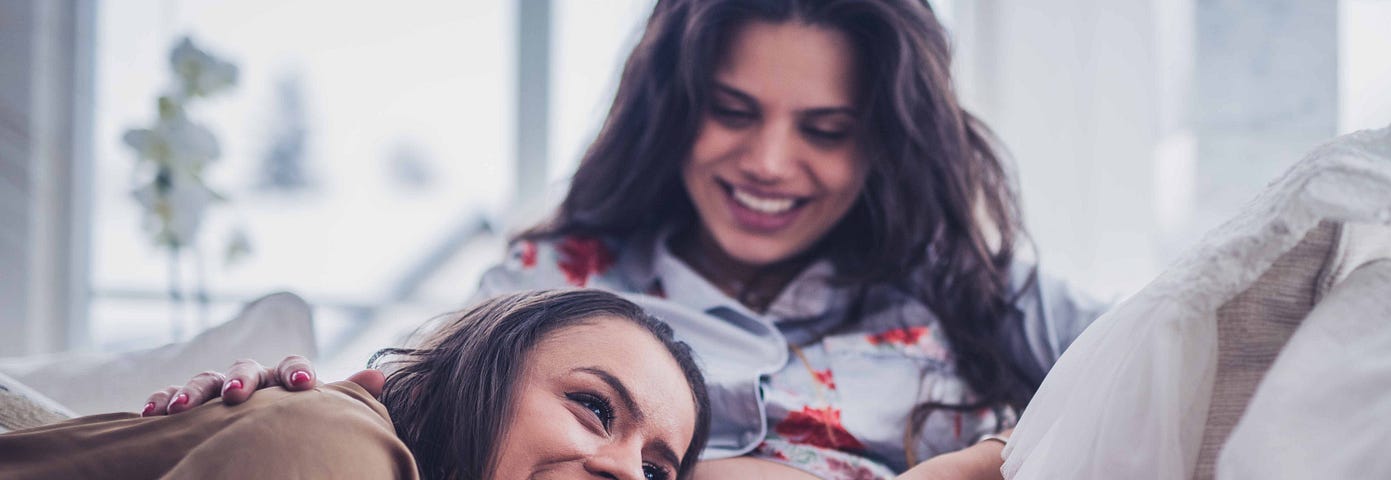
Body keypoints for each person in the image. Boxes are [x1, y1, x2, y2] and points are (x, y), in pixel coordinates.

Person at [145, 0, 1104, 478]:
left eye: (825, 129)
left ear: (882, 144)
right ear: (674, 109)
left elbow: (1189, 346)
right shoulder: (554, 277)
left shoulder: (974, 288)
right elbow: (408, 410)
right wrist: (273, 413)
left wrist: (1002, 458)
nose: (770, 162)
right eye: (733, 111)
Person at [2, 289, 712, 480]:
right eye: (594, 407)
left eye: (657, 473)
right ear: (467, 381)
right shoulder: (334, 444)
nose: (625, 469)